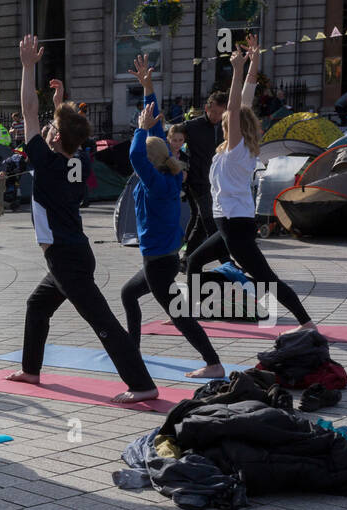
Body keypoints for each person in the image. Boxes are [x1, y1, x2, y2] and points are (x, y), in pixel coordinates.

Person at [6, 36, 158, 405]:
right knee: (37, 305)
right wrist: (60, 104)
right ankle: (31, 368)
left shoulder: (47, 162)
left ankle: (141, 384)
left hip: (66, 258)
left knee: (102, 321)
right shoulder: (79, 160)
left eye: (52, 127)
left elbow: (28, 110)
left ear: (55, 136)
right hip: (71, 253)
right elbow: (67, 132)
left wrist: (28, 67)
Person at [186, 41, 316, 330]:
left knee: (266, 278)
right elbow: (244, 100)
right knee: (194, 261)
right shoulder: (233, 147)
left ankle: (306, 323)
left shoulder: (236, 149)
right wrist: (252, 65)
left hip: (235, 224)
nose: (224, 118)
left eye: (228, 118)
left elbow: (234, 107)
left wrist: (238, 69)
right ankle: (197, 311)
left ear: (232, 124)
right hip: (228, 224)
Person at [119, 56, 224, 379]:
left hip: (158, 261)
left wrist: (140, 129)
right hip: (162, 258)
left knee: (180, 316)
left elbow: (138, 153)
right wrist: (148, 89)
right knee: (127, 294)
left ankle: (213, 363)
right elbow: (160, 137)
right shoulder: (169, 170)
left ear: (150, 162)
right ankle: (133, 350)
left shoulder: (155, 182)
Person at [181, 90, 228, 270]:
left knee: (201, 223)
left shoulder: (225, 126)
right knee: (210, 220)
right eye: (213, 112)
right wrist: (183, 165)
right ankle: (226, 261)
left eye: (220, 113)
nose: (216, 117)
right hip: (197, 180)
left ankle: (186, 259)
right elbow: (173, 142)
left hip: (215, 181)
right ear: (207, 108)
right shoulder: (190, 126)